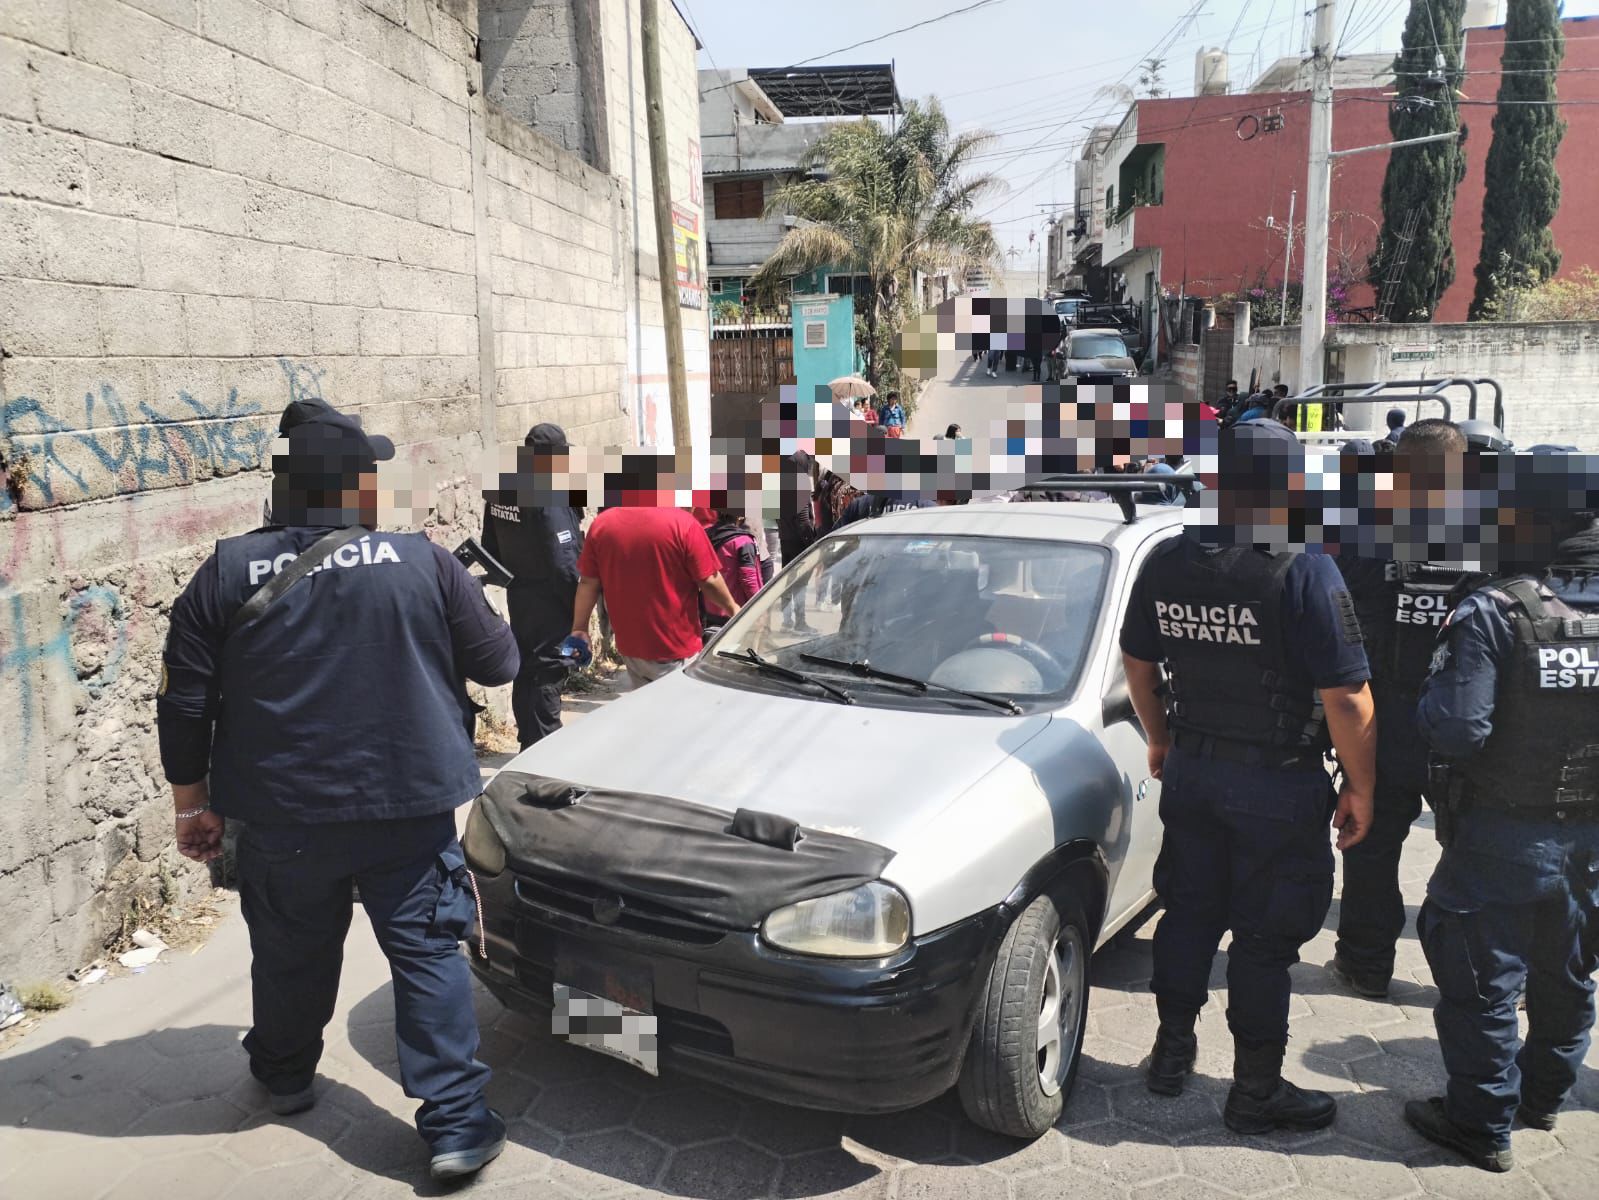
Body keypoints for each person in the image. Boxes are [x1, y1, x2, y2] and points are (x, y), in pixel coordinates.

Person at [157, 404, 519, 1182]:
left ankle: (285, 1076)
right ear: (357, 487)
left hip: (280, 812)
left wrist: (192, 806)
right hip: (407, 807)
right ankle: (455, 1126)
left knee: (289, 950)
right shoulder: (423, 560)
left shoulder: (223, 571)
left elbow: (184, 704)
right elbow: (500, 667)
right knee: (426, 953)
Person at [1119, 418, 1376, 1135]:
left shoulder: (1166, 559)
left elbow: (1137, 666)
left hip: (1193, 772)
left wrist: (1162, 741)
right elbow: (1347, 697)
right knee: (1262, 944)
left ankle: (1169, 1057)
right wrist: (1362, 788)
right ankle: (1254, 1094)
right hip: (1277, 785)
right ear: (1290, 482)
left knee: (1188, 914)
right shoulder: (1302, 567)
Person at [1404, 494, 1599, 1174]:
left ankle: (1481, 1125)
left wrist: (1424, 699)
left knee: (1483, 983)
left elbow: (1458, 729)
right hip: (1590, 841)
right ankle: (1543, 1097)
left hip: (1501, 834)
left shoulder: (1494, 609)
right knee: (1569, 974)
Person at [1332, 420, 1472, 999]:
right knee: (1471, 854)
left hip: (1382, 719)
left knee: (1371, 842)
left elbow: (1332, 618)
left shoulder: (1364, 530)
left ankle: (1366, 965)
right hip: (1466, 726)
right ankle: (1473, 977)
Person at [481, 423, 583, 749]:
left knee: (527, 669)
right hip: (550, 598)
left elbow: (489, 548)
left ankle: (529, 743)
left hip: (520, 594)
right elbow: (563, 561)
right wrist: (577, 609)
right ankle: (546, 752)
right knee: (549, 672)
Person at [569, 504, 741, 688]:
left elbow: (588, 583)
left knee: (647, 706)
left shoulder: (603, 523)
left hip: (630, 647)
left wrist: (579, 628)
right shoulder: (683, 524)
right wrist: (735, 609)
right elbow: (709, 580)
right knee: (677, 710)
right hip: (675, 646)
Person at [697, 508, 764, 624]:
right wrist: (759, 607)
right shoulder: (744, 541)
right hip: (735, 612)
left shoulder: (705, 535)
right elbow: (749, 580)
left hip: (708, 609)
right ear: (740, 516)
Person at [777, 450, 817, 633]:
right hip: (799, 542)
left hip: (785, 538)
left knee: (788, 580)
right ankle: (800, 622)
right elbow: (803, 520)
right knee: (801, 583)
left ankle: (787, 620)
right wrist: (811, 542)